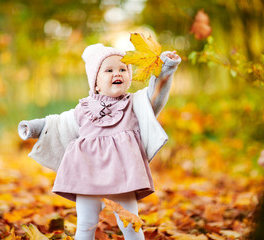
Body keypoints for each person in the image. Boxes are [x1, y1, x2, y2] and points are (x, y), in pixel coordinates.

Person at [18, 43, 181, 239]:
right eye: (109, 70)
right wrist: (33, 128)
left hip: (123, 178)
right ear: (95, 82)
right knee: (86, 225)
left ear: (129, 77)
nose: (117, 73)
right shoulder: (84, 109)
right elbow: (58, 123)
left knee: (130, 223)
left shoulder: (135, 104)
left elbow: (157, 94)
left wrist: (167, 66)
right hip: (86, 177)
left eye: (123, 69)